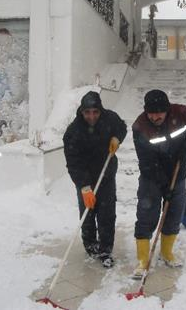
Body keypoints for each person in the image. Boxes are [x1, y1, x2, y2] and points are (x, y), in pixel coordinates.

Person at [132, 89, 186, 278]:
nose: (155, 116)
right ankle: (142, 260)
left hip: (177, 173)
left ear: (167, 109)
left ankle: (166, 253)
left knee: (174, 213)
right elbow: (146, 161)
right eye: (151, 112)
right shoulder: (140, 127)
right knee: (147, 214)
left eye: (159, 112)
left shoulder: (181, 114)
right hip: (151, 176)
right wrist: (165, 186)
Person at [63, 91, 127, 268]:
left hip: (106, 174)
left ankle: (106, 249)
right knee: (87, 212)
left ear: (100, 110)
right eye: (87, 112)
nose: (91, 116)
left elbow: (121, 127)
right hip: (85, 178)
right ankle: (90, 244)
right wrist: (84, 188)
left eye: (95, 112)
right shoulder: (73, 132)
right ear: (82, 112)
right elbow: (73, 163)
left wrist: (116, 138)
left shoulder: (110, 119)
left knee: (107, 213)